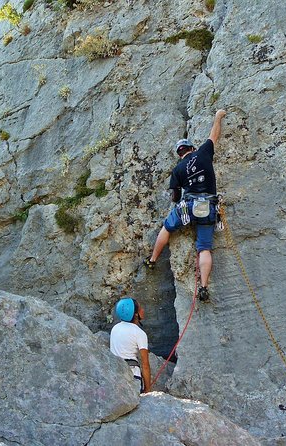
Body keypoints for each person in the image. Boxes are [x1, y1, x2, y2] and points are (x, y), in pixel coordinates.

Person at [144, 109, 227, 302]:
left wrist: (179, 200)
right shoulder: (204, 152)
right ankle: (204, 287)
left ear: (179, 154)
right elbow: (214, 135)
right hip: (208, 206)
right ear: (192, 148)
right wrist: (218, 116)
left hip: (188, 206)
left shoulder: (178, 169)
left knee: (167, 227)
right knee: (204, 247)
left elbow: (174, 196)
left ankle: (152, 260)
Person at [110, 297, 151, 393]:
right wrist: (147, 389)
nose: (143, 310)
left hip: (114, 373)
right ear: (135, 314)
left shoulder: (115, 328)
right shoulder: (139, 333)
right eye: (140, 308)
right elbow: (145, 365)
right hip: (132, 376)